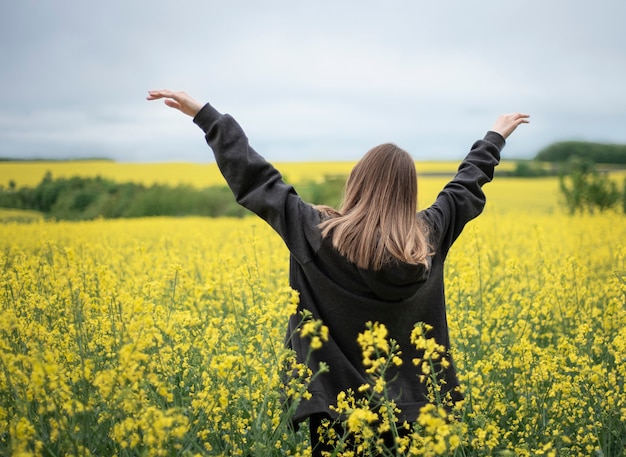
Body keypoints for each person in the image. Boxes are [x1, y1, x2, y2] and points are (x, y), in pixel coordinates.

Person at [147, 89, 529, 455]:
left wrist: (207, 116)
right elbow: (464, 187)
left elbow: (256, 178)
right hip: (416, 408)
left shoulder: (314, 232)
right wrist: (494, 136)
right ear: (408, 191)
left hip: (333, 408)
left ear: (357, 182)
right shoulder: (428, 236)